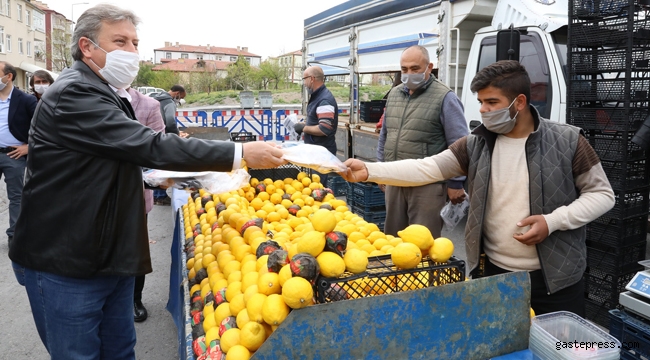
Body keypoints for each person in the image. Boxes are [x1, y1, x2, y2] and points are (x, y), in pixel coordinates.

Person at [8, 4, 285, 359]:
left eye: (136, 42)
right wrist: (239, 153)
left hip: (108, 255)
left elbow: (114, 159)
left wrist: (164, 179)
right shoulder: (75, 92)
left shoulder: (105, 90)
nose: (132, 52)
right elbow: (148, 144)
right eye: (120, 41)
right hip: (68, 261)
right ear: (87, 46)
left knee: (121, 351)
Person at [341, 60, 615, 316]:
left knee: (558, 349)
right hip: (493, 273)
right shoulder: (476, 143)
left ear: (519, 102)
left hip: (555, 280)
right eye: (481, 102)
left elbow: (602, 195)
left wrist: (552, 221)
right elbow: (429, 167)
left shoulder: (568, 140)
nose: (483, 110)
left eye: (492, 102)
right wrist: (370, 171)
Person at [376, 46, 469, 238]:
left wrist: (456, 183)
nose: (408, 74)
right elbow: (385, 134)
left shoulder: (445, 97)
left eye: (415, 68)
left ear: (429, 67)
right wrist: (380, 170)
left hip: (428, 184)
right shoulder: (394, 95)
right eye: (404, 69)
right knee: (392, 239)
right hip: (395, 178)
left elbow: (460, 143)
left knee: (423, 241)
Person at [126, 86, 166, 323]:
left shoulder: (148, 105)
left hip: (135, 194)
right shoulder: (85, 98)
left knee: (135, 249)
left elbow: (157, 151)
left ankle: (134, 299)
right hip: (92, 195)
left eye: (134, 45)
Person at [0, 62, 37, 248]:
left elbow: (42, 129)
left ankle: (15, 235)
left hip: (13, 155)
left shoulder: (26, 100)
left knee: (16, 196)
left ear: (9, 77)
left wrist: (29, 147)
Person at [295, 65, 338, 185]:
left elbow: (324, 129)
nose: (304, 83)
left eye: (304, 79)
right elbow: (317, 121)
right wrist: (304, 124)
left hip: (321, 154)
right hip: (315, 152)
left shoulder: (324, 100)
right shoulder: (317, 97)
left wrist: (304, 128)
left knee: (318, 188)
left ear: (312, 78)